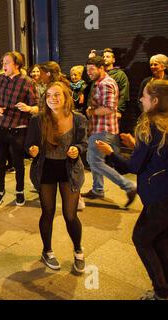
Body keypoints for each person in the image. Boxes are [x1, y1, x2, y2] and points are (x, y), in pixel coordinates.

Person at [96, 80, 168, 300]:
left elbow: (134, 166)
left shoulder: (151, 125)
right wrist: (138, 144)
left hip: (158, 198)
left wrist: (110, 153)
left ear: (154, 101)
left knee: (142, 239)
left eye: (144, 96)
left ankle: (161, 292)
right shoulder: (163, 125)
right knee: (161, 240)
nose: (140, 99)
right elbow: (157, 155)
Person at [26, 82, 88, 272]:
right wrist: (32, 150)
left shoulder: (78, 119)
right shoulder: (38, 120)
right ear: (45, 98)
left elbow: (84, 143)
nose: (53, 98)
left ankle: (78, 251)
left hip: (69, 170)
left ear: (66, 97)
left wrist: (77, 149)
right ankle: (47, 251)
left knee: (70, 215)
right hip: (46, 170)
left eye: (57, 95)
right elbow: (29, 145)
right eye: (50, 95)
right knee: (48, 212)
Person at [82, 56, 137, 207]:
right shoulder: (100, 82)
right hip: (103, 128)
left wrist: (92, 111)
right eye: (88, 70)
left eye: (92, 69)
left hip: (103, 129)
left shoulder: (105, 84)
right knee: (93, 159)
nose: (89, 73)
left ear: (102, 68)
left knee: (94, 161)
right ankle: (98, 189)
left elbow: (109, 107)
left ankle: (129, 186)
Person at [0, 51, 39, 207]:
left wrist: (28, 108)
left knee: (18, 163)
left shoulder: (27, 82)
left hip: (19, 127)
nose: (3, 66)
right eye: (3, 63)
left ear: (17, 64)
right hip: (1, 126)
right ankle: (0, 190)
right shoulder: (0, 79)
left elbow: (37, 107)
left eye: (6, 63)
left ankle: (19, 191)